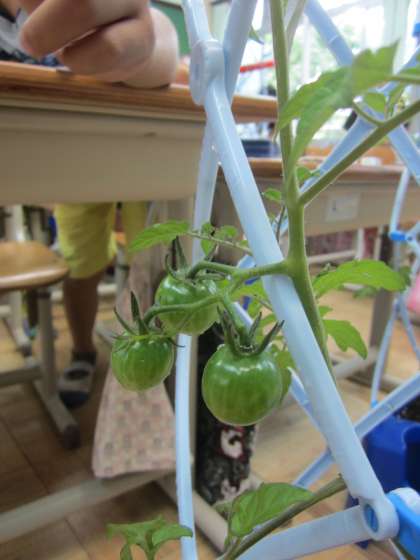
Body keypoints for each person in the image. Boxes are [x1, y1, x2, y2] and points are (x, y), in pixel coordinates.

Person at [0, 0, 181, 407]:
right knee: (82, 264)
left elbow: (159, 40)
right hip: (67, 163)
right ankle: (84, 350)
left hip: (128, 147)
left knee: (155, 264)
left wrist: (151, 43)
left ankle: (160, 360)